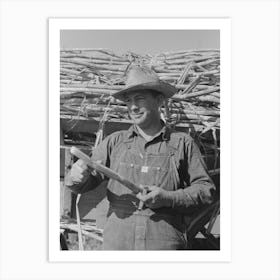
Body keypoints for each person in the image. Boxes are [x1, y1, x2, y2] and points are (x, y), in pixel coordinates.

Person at [66, 65, 216, 250]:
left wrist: (168, 198)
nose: (133, 106)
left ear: (159, 100)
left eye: (140, 99)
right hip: (117, 246)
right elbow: (82, 183)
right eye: (129, 101)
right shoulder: (114, 142)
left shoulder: (182, 144)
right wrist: (77, 176)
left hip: (163, 247)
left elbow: (206, 191)